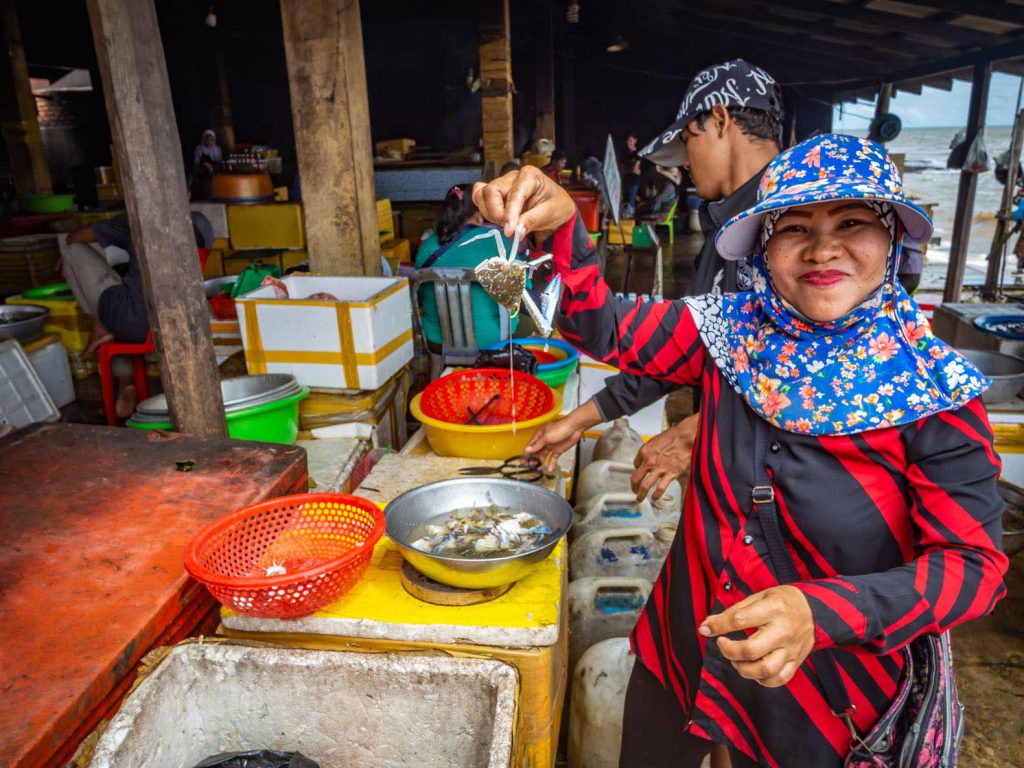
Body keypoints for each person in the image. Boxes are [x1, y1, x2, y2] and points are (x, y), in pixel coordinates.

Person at [474, 136, 1007, 767]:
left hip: (818, 688)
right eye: (795, 226)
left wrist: (823, 611)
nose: (823, 248)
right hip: (684, 639)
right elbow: (603, 326)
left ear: (892, 239)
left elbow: (973, 568)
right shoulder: (727, 334)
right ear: (764, 246)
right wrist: (563, 224)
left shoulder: (935, 391)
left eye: (853, 223)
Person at [527, 59, 784, 503]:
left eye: (688, 140)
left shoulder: (798, 224)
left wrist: (699, 430)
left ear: (720, 119)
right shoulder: (724, 234)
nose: (684, 163)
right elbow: (684, 348)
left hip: (784, 497)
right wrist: (581, 418)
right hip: (733, 484)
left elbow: (831, 368)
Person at [61, 209, 214, 418]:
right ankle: (126, 382)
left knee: (68, 247)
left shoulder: (141, 218)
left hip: (134, 321)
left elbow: (77, 237)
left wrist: (68, 262)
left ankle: (97, 325)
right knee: (126, 299)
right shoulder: (200, 224)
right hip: (173, 322)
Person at [414, 184, 523, 350]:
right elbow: (520, 288)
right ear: (479, 212)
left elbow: (421, 295)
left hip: (436, 340)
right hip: (491, 339)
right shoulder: (496, 241)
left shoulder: (426, 247)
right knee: (530, 322)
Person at [620, 131, 642, 218]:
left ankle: (632, 220)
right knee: (624, 202)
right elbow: (621, 168)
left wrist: (628, 169)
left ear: (635, 141)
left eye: (630, 140)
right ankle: (625, 219)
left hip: (634, 182)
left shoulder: (638, 154)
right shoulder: (624, 154)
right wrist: (630, 170)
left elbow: (635, 169)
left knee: (631, 201)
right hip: (625, 181)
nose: (628, 143)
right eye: (627, 141)